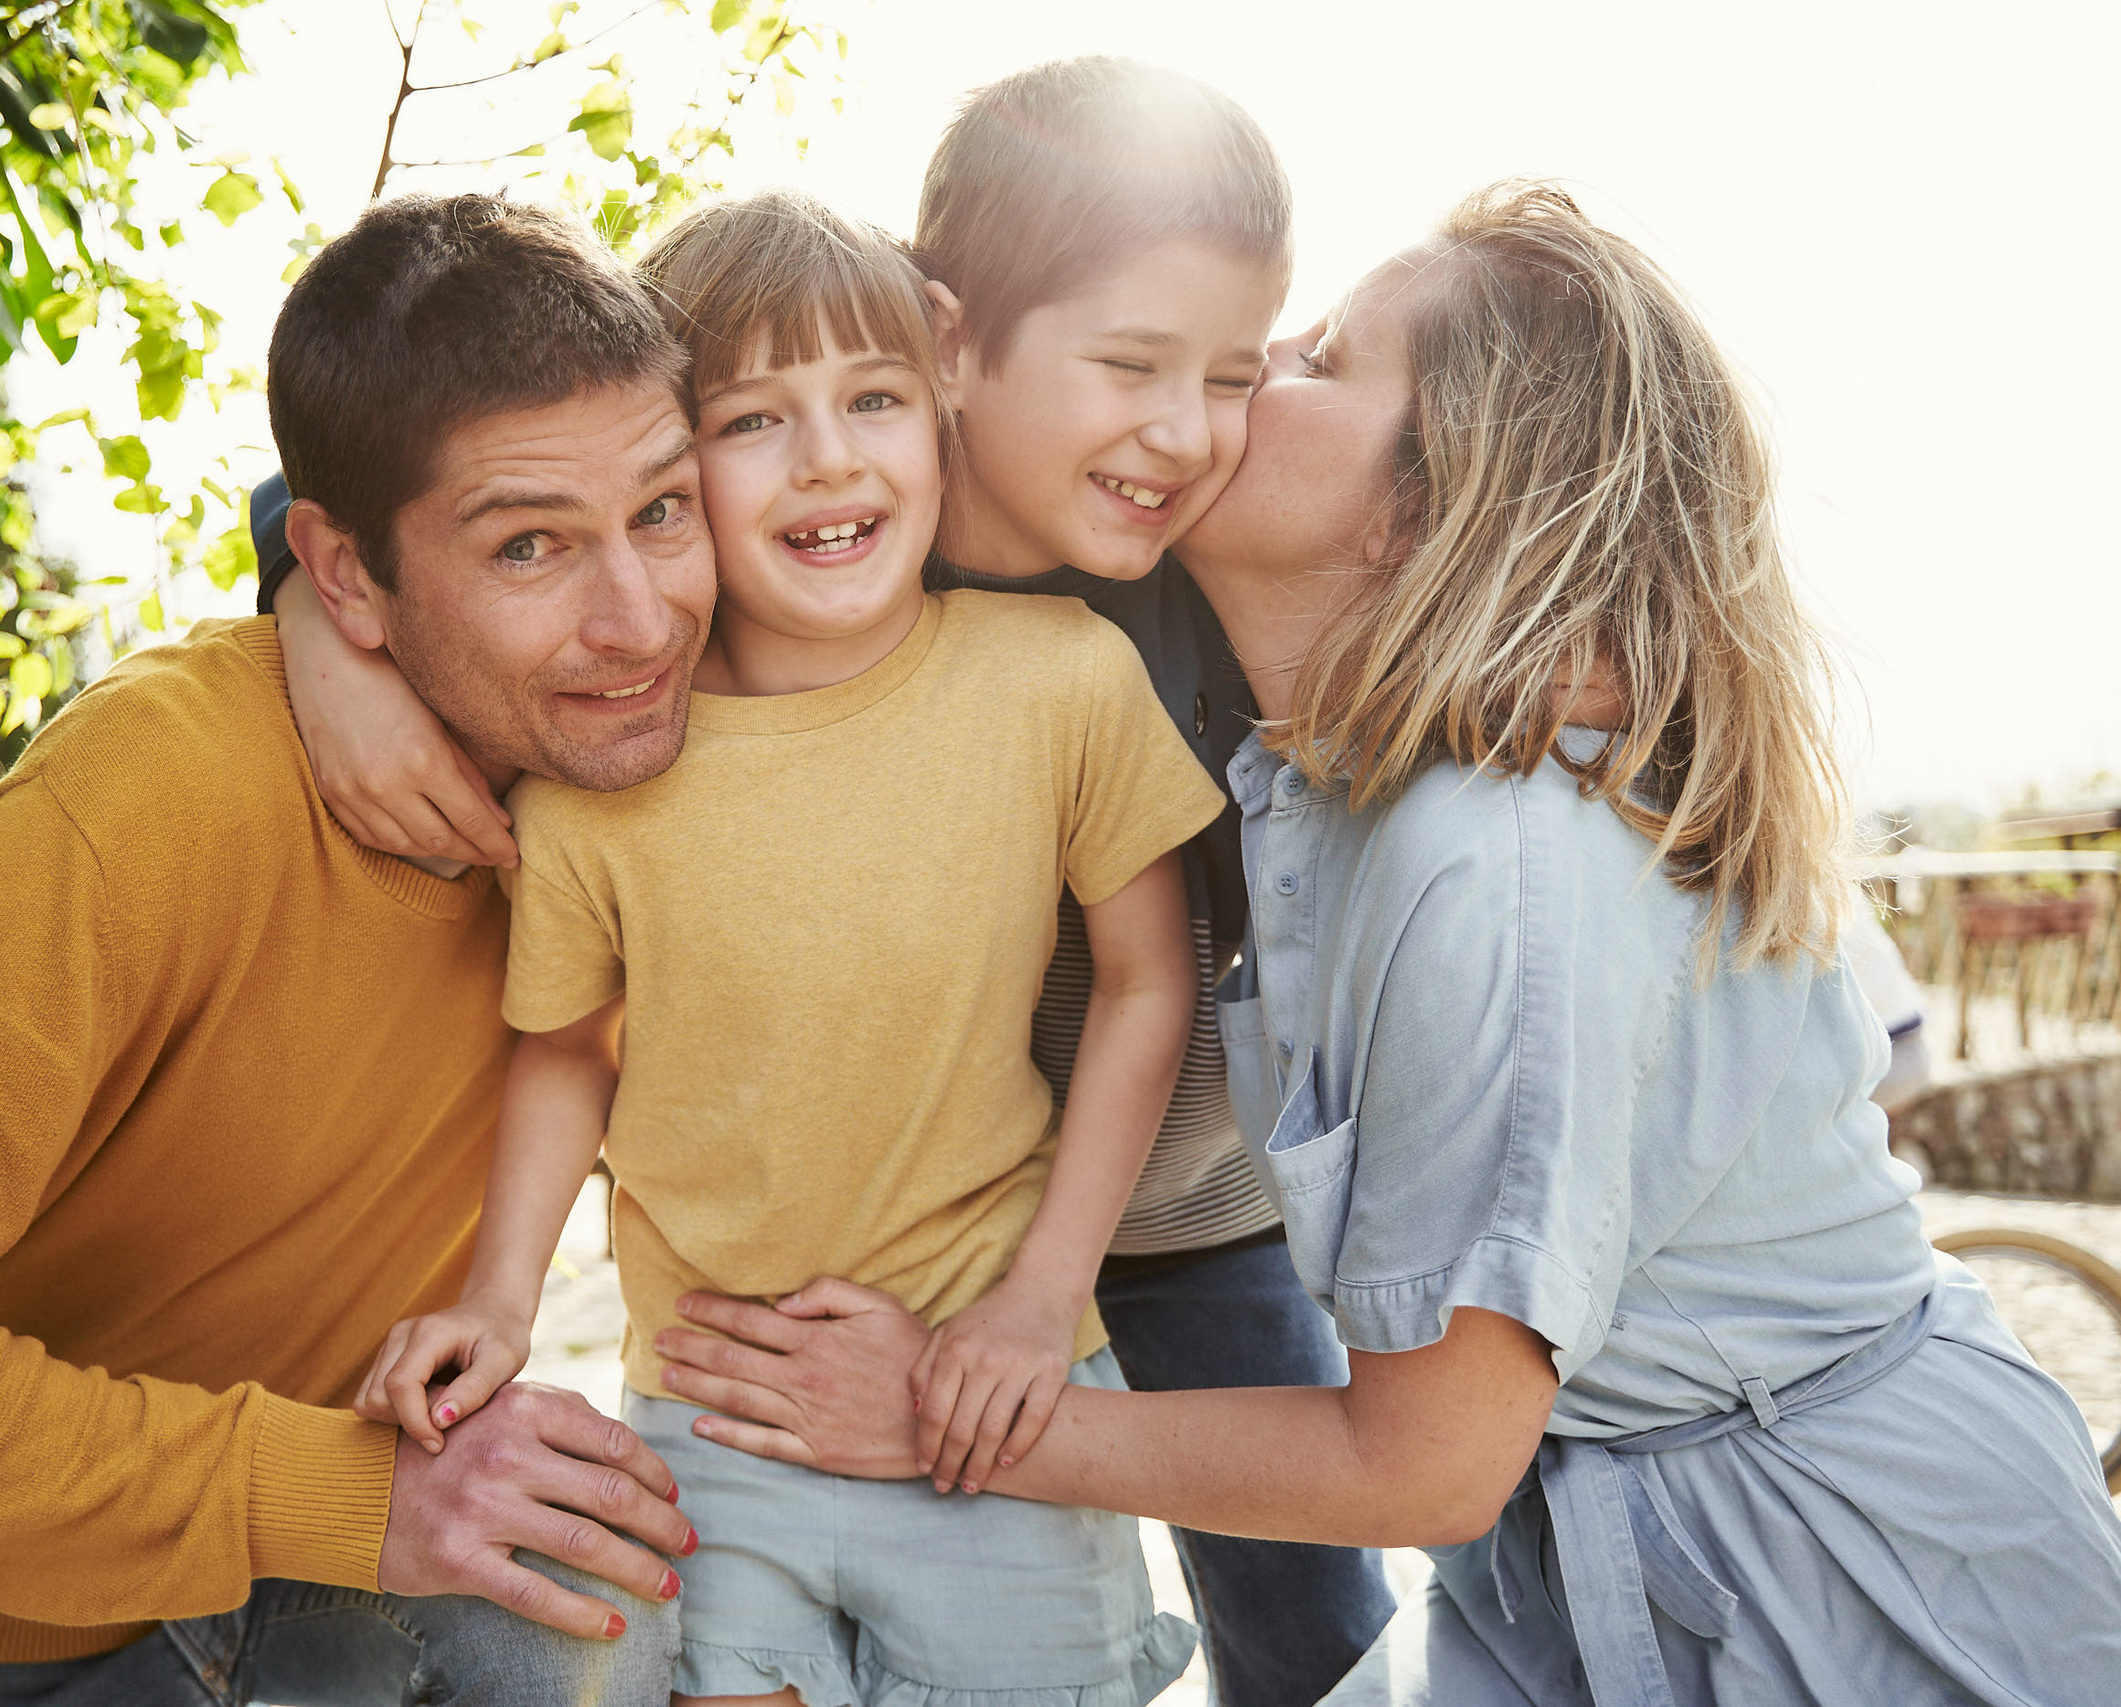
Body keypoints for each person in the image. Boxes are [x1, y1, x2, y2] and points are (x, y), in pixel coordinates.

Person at [650, 182, 2121, 1704]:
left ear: (1427, 500)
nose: (1259, 363)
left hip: (1845, 1576)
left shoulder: (1496, 863)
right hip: (1580, 1546)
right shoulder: (1340, 777)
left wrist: (931, 1417)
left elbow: (1426, 1464)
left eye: (1327, 355)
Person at [257, 58, 1394, 1705]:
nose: (1181, 429)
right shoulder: (756, 574)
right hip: (826, 1271)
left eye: (1225, 375)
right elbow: (456, 456)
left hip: (1180, 1204)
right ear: (958, 344)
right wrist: (315, 615)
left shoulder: (1171, 558)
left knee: (1318, 1640)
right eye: (1131, 362)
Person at [0, 194, 713, 1707]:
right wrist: (344, 1493)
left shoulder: (666, 745)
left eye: (664, 511)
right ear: (347, 577)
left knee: (617, 1598)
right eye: (531, 547)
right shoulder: (153, 802)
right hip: (55, 1638)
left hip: (351, 1550)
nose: (642, 622)